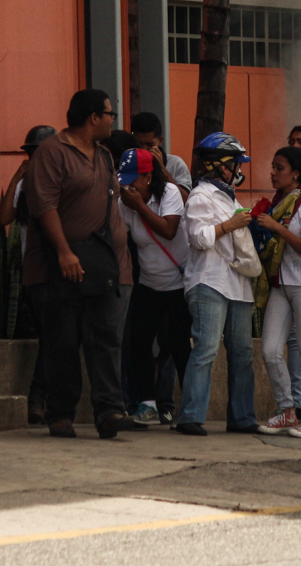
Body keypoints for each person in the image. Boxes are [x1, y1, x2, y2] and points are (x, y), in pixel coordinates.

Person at [22, 89, 136, 439]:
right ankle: (60, 414)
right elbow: (44, 206)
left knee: (106, 338)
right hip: (66, 264)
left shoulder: (103, 155)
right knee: (63, 341)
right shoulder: (52, 153)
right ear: (93, 118)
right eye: (110, 114)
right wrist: (64, 252)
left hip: (105, 264)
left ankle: (110, 412)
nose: (113, 120)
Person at [176, 132, 259, 436]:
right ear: (222, 166)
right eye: (237, 163)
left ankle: (242, 417)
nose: (240, 169)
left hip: (237, 284)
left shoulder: (227, 196)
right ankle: (190, 417)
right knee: (207, 349)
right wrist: (230, 225)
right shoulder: (200, 196)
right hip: (209, 282)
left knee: (242, 352)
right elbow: (198, 239)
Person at [254, 147, 301, 438]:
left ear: (296, 173)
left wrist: (277, 227)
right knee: (270, 349)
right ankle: (287, 411)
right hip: (280, 285)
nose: (273, 172)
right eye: (273, 167)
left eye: (279, 168)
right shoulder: (278, 202)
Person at [117, 148, 193, 425]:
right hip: (148, 283)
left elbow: (169, 230)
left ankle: (189, 407)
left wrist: (139, 207)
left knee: (178, 344)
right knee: (140, 342)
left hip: (178, 284)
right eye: (124, 179)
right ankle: (147, 405)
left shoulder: (169, 194)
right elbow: (121, 239)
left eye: (133, 178)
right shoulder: (124, 202)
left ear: (149, 177)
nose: (128, 185)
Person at [0, 125, 56, 425]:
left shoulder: (57, 181)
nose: (33, 157)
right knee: (51, 337)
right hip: (35, 274)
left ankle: (41, 401)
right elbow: (4, 218)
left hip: (55, 271)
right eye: (31, 153)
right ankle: (38, 400)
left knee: (53, 338)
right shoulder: (25, 185)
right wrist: (16, 177)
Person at [131, 112, 192, 194]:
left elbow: (186, 200)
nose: (144, 150)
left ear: (160, 141)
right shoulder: (126, 162)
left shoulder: (175, 164)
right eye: (139, 144)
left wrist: (162, 170)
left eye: (150, 145)